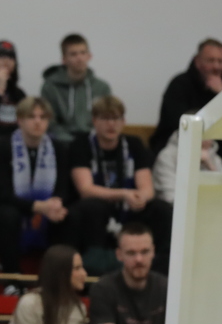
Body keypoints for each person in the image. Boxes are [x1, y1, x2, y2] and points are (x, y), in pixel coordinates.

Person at [69, 95, 172, 275]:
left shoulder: (134, 144)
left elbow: (147, 189)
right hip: (99, 209)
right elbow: (85, 189)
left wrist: (140, 198)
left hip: (129, 208)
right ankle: (95, 267)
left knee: (161, 209)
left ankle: (160, 268)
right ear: (94, 120)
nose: (111, 124)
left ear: (123, 121)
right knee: (91, 207)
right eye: (105, 118)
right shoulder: (81, 144)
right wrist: (124, 194)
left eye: (116, 118)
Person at [0, 96, 74, 274]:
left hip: (45, 208)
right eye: (31, 117)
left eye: (43, 117)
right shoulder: (3, 147)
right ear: (20, 120)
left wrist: (56, 203)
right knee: (8, 216)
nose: (38, 122)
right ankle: (13, 278)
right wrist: (39, 207)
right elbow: (2, 193)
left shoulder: (58, 149)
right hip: (3, 208)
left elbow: (63, 188)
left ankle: (57, 279)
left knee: (67, 215)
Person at [151, 38, 222, 153]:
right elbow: (181, 123)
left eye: (220, 61)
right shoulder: (179, 85)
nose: (216, 66)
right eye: (211, 61)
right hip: (178, 146)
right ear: (197, 61)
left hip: (219, 149)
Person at [40, 34, 112, 144]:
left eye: (83, 53)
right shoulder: (50, 86)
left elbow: (107, 119)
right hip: (62, 141)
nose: (79, 58)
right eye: (73, 54)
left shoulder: (102, 87)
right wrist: (68, 141)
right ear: (64, 59)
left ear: (89, 56)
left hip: (93, 141)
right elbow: (49, 120)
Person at [151, 129, 222, 204]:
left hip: (210, 207)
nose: (206, 140)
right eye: (201, 135)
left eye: (209, 135)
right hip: (175, 208)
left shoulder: (215, 159)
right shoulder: (167, 156)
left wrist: (210, 167)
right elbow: (169, 196)